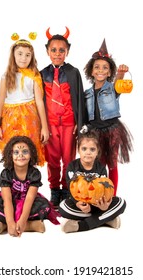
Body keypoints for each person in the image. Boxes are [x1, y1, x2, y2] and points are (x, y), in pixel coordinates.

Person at [0, 33, 49, 166]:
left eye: (27, 55)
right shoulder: (6, 76)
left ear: (32, 57)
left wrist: (44, 127)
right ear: (13, 55)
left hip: (30, 118)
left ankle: (29, 180)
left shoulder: (34, 75)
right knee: (13, 149)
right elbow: (0, 100)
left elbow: (40, 102)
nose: (23, 58)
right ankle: (12, 180)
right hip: (10, 119)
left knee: (28, 148)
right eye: (20, 54)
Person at [0, 136, 60, 237]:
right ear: (10, 155)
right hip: (10, 202)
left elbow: (30, 199)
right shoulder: (6, 173)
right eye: (16, 152)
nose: (20, 155)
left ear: (31, 154)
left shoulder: (34, 173)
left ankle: (15, 225)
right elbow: (7, 199)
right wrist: (10, 221)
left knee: (46, 208)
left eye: (25, 151)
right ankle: (27, 225)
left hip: (27, 202)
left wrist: (22, 220)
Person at [40, 27, 85, 208]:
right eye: (53, 50)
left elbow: (79, 98)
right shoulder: (42, 73)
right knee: (52, 159)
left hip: (68, 124)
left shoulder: (73, 72)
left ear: (67, 51)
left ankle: (67, 190)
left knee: (68, 158)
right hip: (50, 124)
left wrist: (79, 123)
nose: (57, 53)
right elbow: (39, 100)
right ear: (47, 51)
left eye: (61, 50)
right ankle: (54, 190)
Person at [83, 39, 133, 195]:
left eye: (105, 68)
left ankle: (111, 195)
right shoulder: (87, 93)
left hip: (112, 131)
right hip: (95, 132)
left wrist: (121, 73)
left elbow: (119, 82)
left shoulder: (113, 89)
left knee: (112, 164)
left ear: (110, 72)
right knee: (96, 163)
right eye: (97, 67)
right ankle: (97, 193)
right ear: (91, 71)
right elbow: (84, 113)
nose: (100, 70)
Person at [58, 130, 126, 233]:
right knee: (62, 207)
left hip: (98, 205)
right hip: (81, 205)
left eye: (92, 149)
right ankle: (106, 219)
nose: (88, 152)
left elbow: (104, 190)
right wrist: (78, 203)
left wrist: (105, 206)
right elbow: (71, 190)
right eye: (84, 149)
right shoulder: (72, 167)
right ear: (78, 150)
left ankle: (81, 226)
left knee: (121, 203)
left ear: (98, 151)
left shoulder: (101, 167)